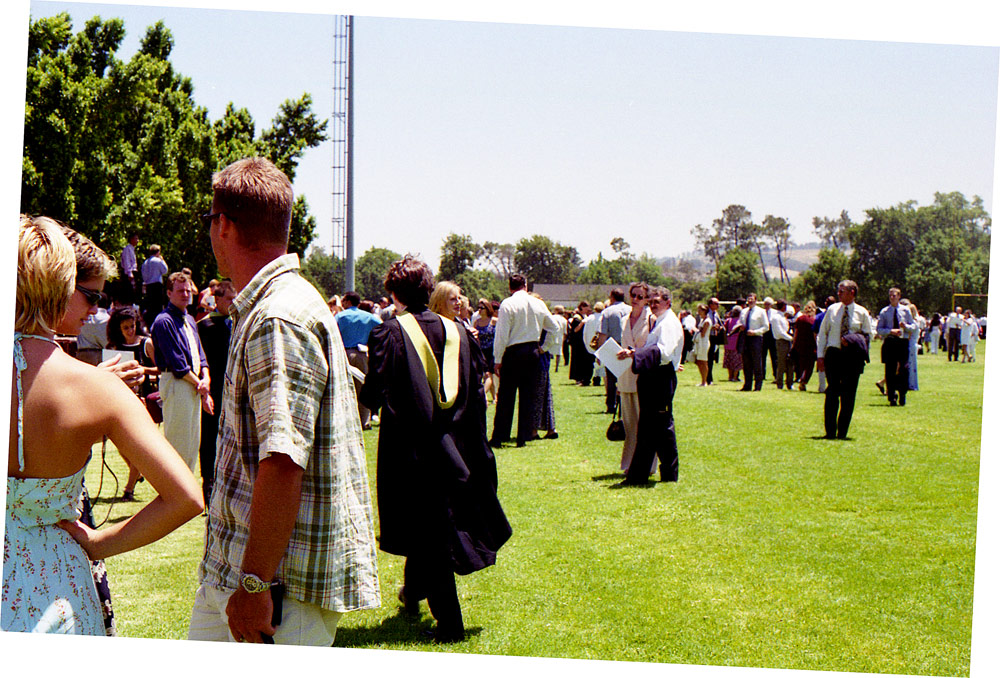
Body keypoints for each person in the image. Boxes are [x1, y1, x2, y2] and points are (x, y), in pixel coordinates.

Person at [188, 157, 380, 645]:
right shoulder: (283, 303)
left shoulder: (278, 316)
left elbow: (283, 460)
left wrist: (255, 583)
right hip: (248, 575)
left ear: (224, 225)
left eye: (211, 220)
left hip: (277, 588)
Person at [5, 216, 202, 635]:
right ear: (61, 284)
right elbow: (186, 497)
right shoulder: (99, 389)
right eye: (89, 294)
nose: (94, 306)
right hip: (54, 589)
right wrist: (99, 542)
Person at [359, 255, 512, 643]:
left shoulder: (389, 333)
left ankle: (450, 624)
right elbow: (477, 394)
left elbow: (375, 395)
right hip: (459, 445)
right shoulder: (459, 332)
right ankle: (411, 594)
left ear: (393, 293)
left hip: (412, 450)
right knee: (429, 523)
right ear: (429, 290)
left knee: (431, 527)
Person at [615, 286, 684, 485]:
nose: (653, 305)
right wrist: (634, 352)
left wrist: (635, 354)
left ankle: (638, 476)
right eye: (651, 301)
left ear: (668, 303)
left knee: (654, 428)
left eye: (657, 301)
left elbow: (662, 352)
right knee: (659, 429)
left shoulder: (668, 323)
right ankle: (665, 475)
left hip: (659, 379)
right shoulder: (661, 321)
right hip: (654, 377)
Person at [150, 272, 212, 472]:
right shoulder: (164, 321)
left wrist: (206, 379)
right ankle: (174, 493)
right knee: (178, 442)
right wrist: (201, 386)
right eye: (180, 291)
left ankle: (188, 494)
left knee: (193, 442)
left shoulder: (190, 320)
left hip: (194, 384)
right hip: (178, 384)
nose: (185, 294)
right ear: (169, 293)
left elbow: (200, 354)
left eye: (188, 290)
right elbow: (178, 365)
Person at [489, 273, 559, 448]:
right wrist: (544, 347)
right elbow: (554, 327)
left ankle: (500, 436)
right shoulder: (538, 303)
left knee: (506, 396)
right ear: (526, 286)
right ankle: (523, 436)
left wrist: (497, 358)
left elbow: (502, 334)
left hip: (513, 352)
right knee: (528, 396)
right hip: (533, 351)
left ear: (510, 287)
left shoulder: (508, 304)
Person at [106, 305, 159, 501]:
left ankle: (128, 489)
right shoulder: (115, 349)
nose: (130, 331)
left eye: (132, 326)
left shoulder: (146, 344)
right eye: (126, 328)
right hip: (120, 401)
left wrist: (141, 370)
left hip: (142, 400)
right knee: (121, 445)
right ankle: (138, 472)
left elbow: (161, 368)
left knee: (138, 447)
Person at [196, 280, 236, 506]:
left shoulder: (239, 324)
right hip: (213, 388)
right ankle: (208, 483)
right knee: (210, 436)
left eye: (234, 299)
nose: (232, 304)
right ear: (216, 299)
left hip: (234, 389)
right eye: (228, 299)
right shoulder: (205, 326)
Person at [816, 280, 872, 439]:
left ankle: (842, 432)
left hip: (852, 357)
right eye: (838, 291)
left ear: (852, 292)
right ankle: (830, 431)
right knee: (832, 392)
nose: (838, 294)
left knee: (848, 395)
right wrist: (820, 356)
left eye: (842, 291)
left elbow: (868, 335)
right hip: (834, 354)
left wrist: (853, 339)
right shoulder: (832, 310)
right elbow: (822, 334)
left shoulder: (862, 312)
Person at [618, 283, 655, 474]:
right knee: (630, 424)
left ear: (647, 299)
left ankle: (648, 465)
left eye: (640, 296)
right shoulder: (624, 320)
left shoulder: (651, 319)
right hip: (624, 376)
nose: (636, 299)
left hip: (643, 375)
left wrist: (633, 352)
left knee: (645, 423)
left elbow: (652, 348)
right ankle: (628, 464)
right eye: (633, 295)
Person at [336, 290, 383, 430]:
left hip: (344, 354)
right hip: (363, 354)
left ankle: (346, 422)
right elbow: (382, 327)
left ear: (348, 301)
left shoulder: (340, 316)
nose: (342, 303)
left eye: (344, 300)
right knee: (364, 388)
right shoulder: (369, 317)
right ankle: (364, 421)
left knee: (345, 389)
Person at [876, 287, 915, 407]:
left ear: (899, 296)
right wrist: (890, 331)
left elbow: (913, 326)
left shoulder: (905, 311)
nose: (892, 297)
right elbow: (879, 329)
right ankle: (891, 396)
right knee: (890, 370)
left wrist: (906, 326)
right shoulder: (884, 312)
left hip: (902, 343)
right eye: (890, 295)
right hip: (890, 343)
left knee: (903, 369)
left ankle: (902, 394)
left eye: (894, 295)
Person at [596, 288, 630, 413]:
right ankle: (625, 403)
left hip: (613, 345)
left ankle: (611, 404)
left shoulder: (607, 312)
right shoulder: (631, 310)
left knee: (611, 378)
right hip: (628, 345)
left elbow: (603, 334)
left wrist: (600, 353)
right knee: (626, 377)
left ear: (612, 297)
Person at [734, 292, 769, 391]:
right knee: (746, 362)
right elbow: (739, 321)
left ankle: (758, 385)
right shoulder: (744, 311)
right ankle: (747, 385)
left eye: (752, 299)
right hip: (745, 338)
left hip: (756, 338)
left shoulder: (761, 311)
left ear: (756, 300)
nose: (750, 301)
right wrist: (740, 325)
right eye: (748, 299)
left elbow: (766, 327)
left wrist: (755, 332)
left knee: (757, 362)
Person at [473, 298, 498, 403]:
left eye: (482, 308)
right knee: (487, 374)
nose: (479, 309)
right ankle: (494, 397)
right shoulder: (476, 322)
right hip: (480, 351)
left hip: (491, 351)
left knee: (488, 375)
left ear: (487, 309)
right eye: (478, 307)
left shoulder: (494, 321)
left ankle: (481, 395)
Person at [140, 243, 168, 328]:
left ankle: (150, 325)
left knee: (150, 307)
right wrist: (162, 260)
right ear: (158, 252)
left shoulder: (145, 262)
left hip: (149, 286)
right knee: (158, 306)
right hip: (157, 285)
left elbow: (143, 276)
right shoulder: (158, 261)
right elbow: (165, 271)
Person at [791, 301, 818, 391]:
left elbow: (796, 333)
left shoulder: (800, 319)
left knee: (801, 364)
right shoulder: (814, 320)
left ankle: (800, 378)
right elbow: (815, 335)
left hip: (800, 344)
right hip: (810, 345)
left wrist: (793, 345)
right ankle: (804, 380)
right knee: (809, 366)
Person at [568, 301, 595, 386]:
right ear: (582, 307)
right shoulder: (577, 317)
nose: (589, 309)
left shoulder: (584, 316)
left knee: (582, 360)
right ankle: (577, 377)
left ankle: (582, 376)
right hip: (577, 342)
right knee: (577, 360)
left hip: (582, 341)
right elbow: (575, 330)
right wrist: (582, 323)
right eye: (587, 307)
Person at [722, 307, 743, 382]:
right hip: (736, 342)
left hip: (728, 342)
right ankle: (735, 377)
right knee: (736, 360)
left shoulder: (728, 320)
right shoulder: (740, 321)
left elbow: (724, 329)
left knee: (729, 360)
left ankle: (730, 376)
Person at [693, 303, 711, 386]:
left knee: (703, 362)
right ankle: (702, 380)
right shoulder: (702, 320)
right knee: (699, 361)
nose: (698, 312)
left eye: (700, 310)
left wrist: (695, 330)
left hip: (703, 343)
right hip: (699, 342)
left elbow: (703, 333)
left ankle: (705, 381)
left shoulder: (707, 321)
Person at [120, 232, 140, 304]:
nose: (137, 240)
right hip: (129, 274)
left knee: (133, 292)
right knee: (128, 293)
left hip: (133, 272)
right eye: (136, 239)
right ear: (131, 239)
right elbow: (127, 261)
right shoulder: (127, 249)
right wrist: (129, 273)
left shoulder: (132, 249)